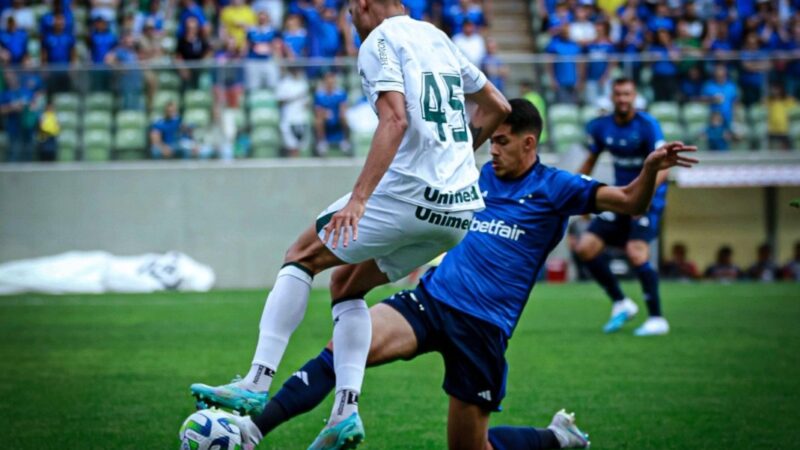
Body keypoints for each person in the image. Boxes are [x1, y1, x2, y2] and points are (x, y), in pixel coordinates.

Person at [211, 99, 697, 450]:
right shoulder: (475, 174)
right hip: (432, 302)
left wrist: (652, 168)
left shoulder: (559, 188)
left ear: (530, 143)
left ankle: (554, 438)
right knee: (341, 353)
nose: (494, 152)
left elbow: (631, 202)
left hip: (483, 329)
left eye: (503, 143)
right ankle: (253, 433)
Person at [190, 2, 511, 448]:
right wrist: (455, 162)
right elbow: (497, 105)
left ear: (361, 5)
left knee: (301, 256)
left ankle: (256, 382)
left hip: (409, 193)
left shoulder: (378, 40)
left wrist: (359, 200)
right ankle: (344, 411)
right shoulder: (437, 37)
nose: (350, 21)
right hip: (457, 212)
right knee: (346, 286)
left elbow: (394, 119)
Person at [575, 78, 671, 336]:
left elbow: (665, 166)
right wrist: (576, 193)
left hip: (648, 199)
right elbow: (589, 161)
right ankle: (621, 302)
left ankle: (657, 318)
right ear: (611, 97)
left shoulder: (648, 125)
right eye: (618, 94)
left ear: (635, 96)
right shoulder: (601, 127)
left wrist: (645, 197)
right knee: (586, 247)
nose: (622, 99)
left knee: (636, 251)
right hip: (621, 197)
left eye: (627, 94)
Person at [276, 66, 312, 157]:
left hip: (301, 118)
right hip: (289, 118)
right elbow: (280, 102)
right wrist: (294, 98)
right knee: (291, 146)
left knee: (301, 147)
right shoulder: (284, 83)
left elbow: (306, 101)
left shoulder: (303, 83)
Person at [314, 71, 351, 156]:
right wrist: (325, 113)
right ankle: (322, 142)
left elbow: (343, 107)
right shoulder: (319, 95)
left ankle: (345, 141)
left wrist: (339, 113)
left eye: (332, 82)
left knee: (343, 116)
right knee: (319, 119)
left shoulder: (341, 93)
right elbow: (318, 110)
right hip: (326, 118)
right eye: (328, 82)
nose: (330, 84)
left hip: (337, 117)